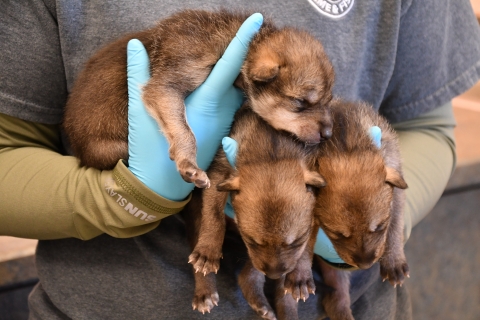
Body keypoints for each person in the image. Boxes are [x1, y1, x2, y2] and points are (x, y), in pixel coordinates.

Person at [1, 0, 479, 319]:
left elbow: (428, 127)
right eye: (302, 105)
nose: (323, 125)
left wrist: (373, 221)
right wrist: (122, 197)